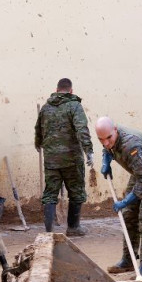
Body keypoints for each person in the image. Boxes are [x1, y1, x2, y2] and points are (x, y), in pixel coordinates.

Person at [97, 117, 142, 279]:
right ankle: (128, 260)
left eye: (108, 138)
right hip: (140, 172)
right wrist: (106, 160)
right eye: (101, 140)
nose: (106, 143)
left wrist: (125, 201)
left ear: (115, 129)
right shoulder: (108, 138)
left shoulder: (130, 144)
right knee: (129, 214)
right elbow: (107, 148)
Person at [34, 78, 93, 236]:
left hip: (51, 159)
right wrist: (89, 151)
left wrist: (37, 144)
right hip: (72, 160)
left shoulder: (46, 108)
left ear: (57, 89)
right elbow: (82, 129)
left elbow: (38, 129)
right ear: (71, 91)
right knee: (76, 192)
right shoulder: (74, 106)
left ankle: (48, 231)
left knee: (50, 193)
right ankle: (73, 228)